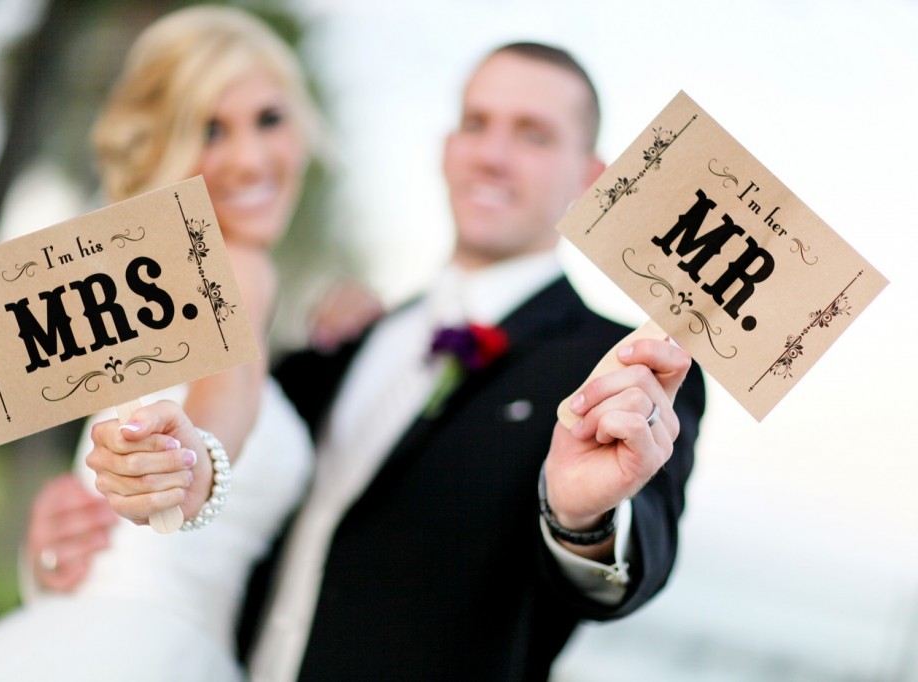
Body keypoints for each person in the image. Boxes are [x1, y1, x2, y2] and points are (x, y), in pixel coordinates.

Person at [85, 41, 706, 681]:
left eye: (533, 135)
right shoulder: (346, 342)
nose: (492, 155)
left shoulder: (623, 372)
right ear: (446, 149)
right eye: (476, 123)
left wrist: (581, 518)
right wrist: (79, 524)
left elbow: (626, 569)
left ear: (588, 178)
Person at [0, 5, 333, 680]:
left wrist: (47, 555)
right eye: (211, 128)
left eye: (269, 119)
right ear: (164, 143)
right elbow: (228, 398)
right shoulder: (237, 265)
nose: (249, 158)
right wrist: (200, 462)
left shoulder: (146, 298)